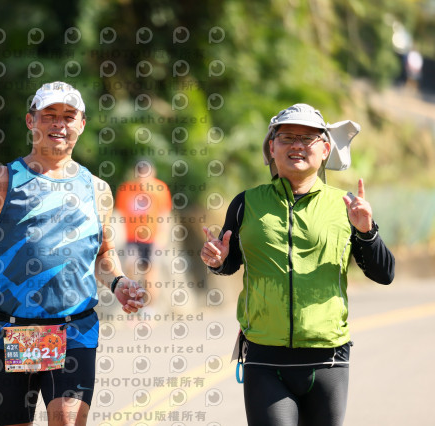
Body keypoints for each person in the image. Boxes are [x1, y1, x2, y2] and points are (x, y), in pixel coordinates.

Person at [0, 81, 146, 426]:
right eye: (49, 115)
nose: (59, 124)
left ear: (82, 124)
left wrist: (118, 282)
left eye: (68, 116)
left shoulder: (98, 189)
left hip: (74, 330)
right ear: (30, 121)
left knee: (67, 420)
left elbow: (103, 254)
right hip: (11, 331)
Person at [200, 103, 395, 426]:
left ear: (325, 149)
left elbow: (384, 273)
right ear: (271, 148)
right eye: (287, 137)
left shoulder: (345, 206)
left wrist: (367, 232)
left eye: (307, 138)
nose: (297, 145)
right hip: (264, 358)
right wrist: (218, 260)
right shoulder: (247, 203)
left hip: (329, 358)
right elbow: (229, 263)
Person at [115, 160, 172, 302]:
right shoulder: (125, 189)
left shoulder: (159, 188)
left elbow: (164, 213)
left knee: (151, 273)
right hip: (132, 237)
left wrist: (163, 235)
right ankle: (133, 301)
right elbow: (121, 213)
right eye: (140, 172)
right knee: (130, 266)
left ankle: (150, 307)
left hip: (153, 237)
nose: (142, 176)